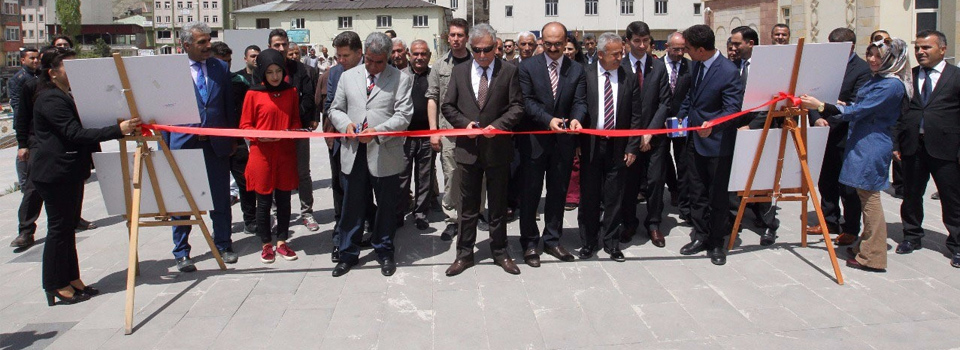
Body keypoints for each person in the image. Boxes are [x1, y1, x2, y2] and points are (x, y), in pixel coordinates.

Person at [31, 47, 140, 304]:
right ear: (53, 73)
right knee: (59, 229)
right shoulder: (50, 99)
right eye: (68, 67)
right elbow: (74, 134)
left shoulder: (64, 95)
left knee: (68, 228)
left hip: (69, 170)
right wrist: (117, 130)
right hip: (55, 172)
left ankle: (71, 277)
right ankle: (55, 283)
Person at [800, 38, 911, 272]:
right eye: (870, 54)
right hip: (861, 140)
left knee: (870, 200)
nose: (872, 59)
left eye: (878, 56)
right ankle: (867, 245)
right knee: (864, 195)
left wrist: (822, 106)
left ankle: (873, 255)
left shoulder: (891, 85)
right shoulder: (879, 79)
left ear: (892, 59)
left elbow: (859, 110)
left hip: (871, 143)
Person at [442, 23, 524, 276]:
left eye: (487, 49)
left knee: (498, 205)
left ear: (496, 46)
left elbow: (517, 107)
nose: (482, 55)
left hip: (498, 149)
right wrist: (464, 125)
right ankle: (464, 254)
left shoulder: (508, 72)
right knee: (467, 207)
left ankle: (500, 251)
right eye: (476, 50)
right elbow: (448, 106)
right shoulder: (460, 72)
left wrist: (496, 126)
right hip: (468, 150)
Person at [328, 32, 413, 277]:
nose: (373, 66)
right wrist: (346, 125)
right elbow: (335, 108)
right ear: (363, 54)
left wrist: (377, 131)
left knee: (386, 206)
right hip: (353, 151)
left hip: (384, 150)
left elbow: (403, 116)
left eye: (379, 62)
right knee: (352, 205)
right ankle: (347, 253)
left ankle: (384, 251)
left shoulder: (400, 79)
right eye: (369, 60)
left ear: (388, 58)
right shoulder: (347, 76)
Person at [164, 22, 238, 272]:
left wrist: (231, 139)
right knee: (182, 198)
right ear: (186, 46)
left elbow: (228, 106)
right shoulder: (172, 71)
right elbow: (164, 110)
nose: (208, 46)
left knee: (220, 198)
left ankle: (223, 245)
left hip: (215, 145)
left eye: (209, 40)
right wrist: (165, 145)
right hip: (184, 144)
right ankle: (182, 252)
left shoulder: (221, 67)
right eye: (202, 43)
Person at [517, 22, 587, 267]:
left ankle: (553, 239)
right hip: (534, 142)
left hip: (563, 143)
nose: (554, 48)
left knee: (558, 193)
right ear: (541, 41)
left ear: (566, 40)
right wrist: (549, 120)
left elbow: (580, 101)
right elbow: (526, 101)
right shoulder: (527, 67)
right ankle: (529, 243)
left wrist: (577, 118)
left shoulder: (576, 69)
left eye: (558, 44)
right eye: (548, 44)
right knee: (530, 194)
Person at [676, 24, 745, 266]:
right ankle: (700, 235)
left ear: (702, 50)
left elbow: (732, 110)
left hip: (717, 145)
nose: (685, 52)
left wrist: (712, 126)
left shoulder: (727, 71)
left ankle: (717, 242)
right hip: (694, 141)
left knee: (717, 196)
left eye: (688, 49)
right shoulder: (696, 66)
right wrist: (682, 119)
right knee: (697, 192)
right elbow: (691, 98)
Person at [894, 30, 960, 268]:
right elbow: (899, 113)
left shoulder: (955, 77)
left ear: (942, 49)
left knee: (952, 199)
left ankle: (957, 244)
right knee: (911, 195)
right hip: (913, 146)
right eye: (918, 48)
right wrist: (896, 143)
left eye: (926, 48)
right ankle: (911, 236)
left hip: (946, 149)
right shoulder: (909, 77)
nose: (920, 52)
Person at [578, 33, 643, 261]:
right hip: (591, 146)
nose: (620, 57)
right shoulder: (585, 74)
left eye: (621, 52)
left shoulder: (629, 77)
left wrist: (632, 146)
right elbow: (579, 109)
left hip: (618, 146)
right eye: (615, 54)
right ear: (601, 54)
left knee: (614, 196)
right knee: (590, 196)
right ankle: (588, 241)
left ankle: (612, 242)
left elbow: (636, 115)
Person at [806, 28, 871, 246]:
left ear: (850, 47)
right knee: (826, 179)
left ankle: (851, 227)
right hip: (823, 130)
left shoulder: (862, 70)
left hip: (847, 134)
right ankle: (829, 220)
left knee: (848, 186)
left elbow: (854, 105)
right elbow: (811, 94)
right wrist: (815, 117)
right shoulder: (825, 66)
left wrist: (831, 116)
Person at [240, 49, 302, 264]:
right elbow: (245, 126)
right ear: (262, 74)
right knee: (264, 201)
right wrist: (259, 136)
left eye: (278, 71)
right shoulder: (253, 94)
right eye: (270, 72)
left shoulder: (291, 91)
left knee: (284, 200)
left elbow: (295, 121)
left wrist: (289, 132)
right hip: (261, 154)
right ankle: (266, 243)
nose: (275, 76)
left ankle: (282, 241)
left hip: (285, 152)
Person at [324, 31, 377, 263]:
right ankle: (341, 240)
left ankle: (376, 229)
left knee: (369, 192)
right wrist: (345, 125)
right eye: (338, 56)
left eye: (345, 56)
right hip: (343, 143)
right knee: (342, 192)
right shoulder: (334, 74)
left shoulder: (376, 70)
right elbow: (329, 106)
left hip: (374, 143)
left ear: (359, 53)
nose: (341, 60)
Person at [619, 21, 671, 248]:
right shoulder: (619, 67)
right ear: (627, 42)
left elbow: (664, 103)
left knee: (655, 180)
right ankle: (629, 221)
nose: (642, 46)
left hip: (654, 137)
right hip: (629, 138)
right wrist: (636, 135)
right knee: (628, 183)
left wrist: (649, 132)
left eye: (646, 41)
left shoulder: (658, 67)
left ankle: (654, 223)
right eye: (637, 41)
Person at [729, 25, 780, 245]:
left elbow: (773, 101)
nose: (733, 47)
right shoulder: (733, 66)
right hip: (735, 131)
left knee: (763, 178)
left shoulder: (768, 68)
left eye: (737, 43)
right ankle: (734, 221)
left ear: (751, 43)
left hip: (761, 129)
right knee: (736, 176)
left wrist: (753, 126)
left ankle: (768, 224)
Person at [268, 30, 319, 231]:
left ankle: (307, 212)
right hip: (272, 132)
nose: (281, 49)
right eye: (277, 45)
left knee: (302, 172)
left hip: (298, 128)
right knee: (274, 171)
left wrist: (296, 117)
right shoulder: (262, 69)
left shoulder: (300, 70)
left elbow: (308, 97)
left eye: (284, 45)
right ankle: (275, 213)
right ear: (270, 46)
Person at [426, 18, 472, 241]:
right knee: (451, 175)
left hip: (473, 130)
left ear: (467, 37)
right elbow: (432, 98)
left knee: (475, 175)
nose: (455, 39)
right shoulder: (440, 65)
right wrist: (434, 130)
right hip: (448, 131)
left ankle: (473, 214)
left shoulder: (477, 61)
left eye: (460, 35)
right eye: (452, 35)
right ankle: (452, 219)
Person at [211, 43, 259, 236]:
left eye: (228, 62)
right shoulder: (206, 84)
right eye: (221, 62)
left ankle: (250, 220)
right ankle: (221, 229)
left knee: (246, 183)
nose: (226, 66)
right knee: (219, 188)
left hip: (238, 140)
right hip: (215, 141)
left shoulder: (239, 81)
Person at [397, 39, 434, 230]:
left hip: (427, 136)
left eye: (423, 54)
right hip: (404, 136)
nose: (419, 58)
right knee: (401, 176)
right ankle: (401, 210)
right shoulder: (399, 76)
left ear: (429, 56)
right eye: (416, 54)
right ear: (409, 55)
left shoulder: (434, 75)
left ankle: (420, 213)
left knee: (424, 176)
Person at [9, 47, 42, 249]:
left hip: (54, 141)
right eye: (33, 58)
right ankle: (26, 230)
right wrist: (22, 143)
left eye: (38, 58)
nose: (36, 61)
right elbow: (20, 113)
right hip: (35, 139)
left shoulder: (47, 80)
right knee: (32, 187)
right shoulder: (23, 81)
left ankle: (74, 220)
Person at [661, 31, 694, 224]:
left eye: (683, 49)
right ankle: (672, 187)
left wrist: (682, 114)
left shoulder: (690, 67)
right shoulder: (655, 66)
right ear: (667, 47)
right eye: (676, 49)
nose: (680, 53)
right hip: (661, 122)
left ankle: (684, 203)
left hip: (682, 120)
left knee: (683, 161)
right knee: (663, 159)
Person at [563, 34, 585, 211]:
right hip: (559, 122)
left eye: (570, 49)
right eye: (565, 48)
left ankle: (573, 195)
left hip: (579, 121)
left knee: (577, 160)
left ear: (576, 50)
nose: (567, 52)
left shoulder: (583, 70)